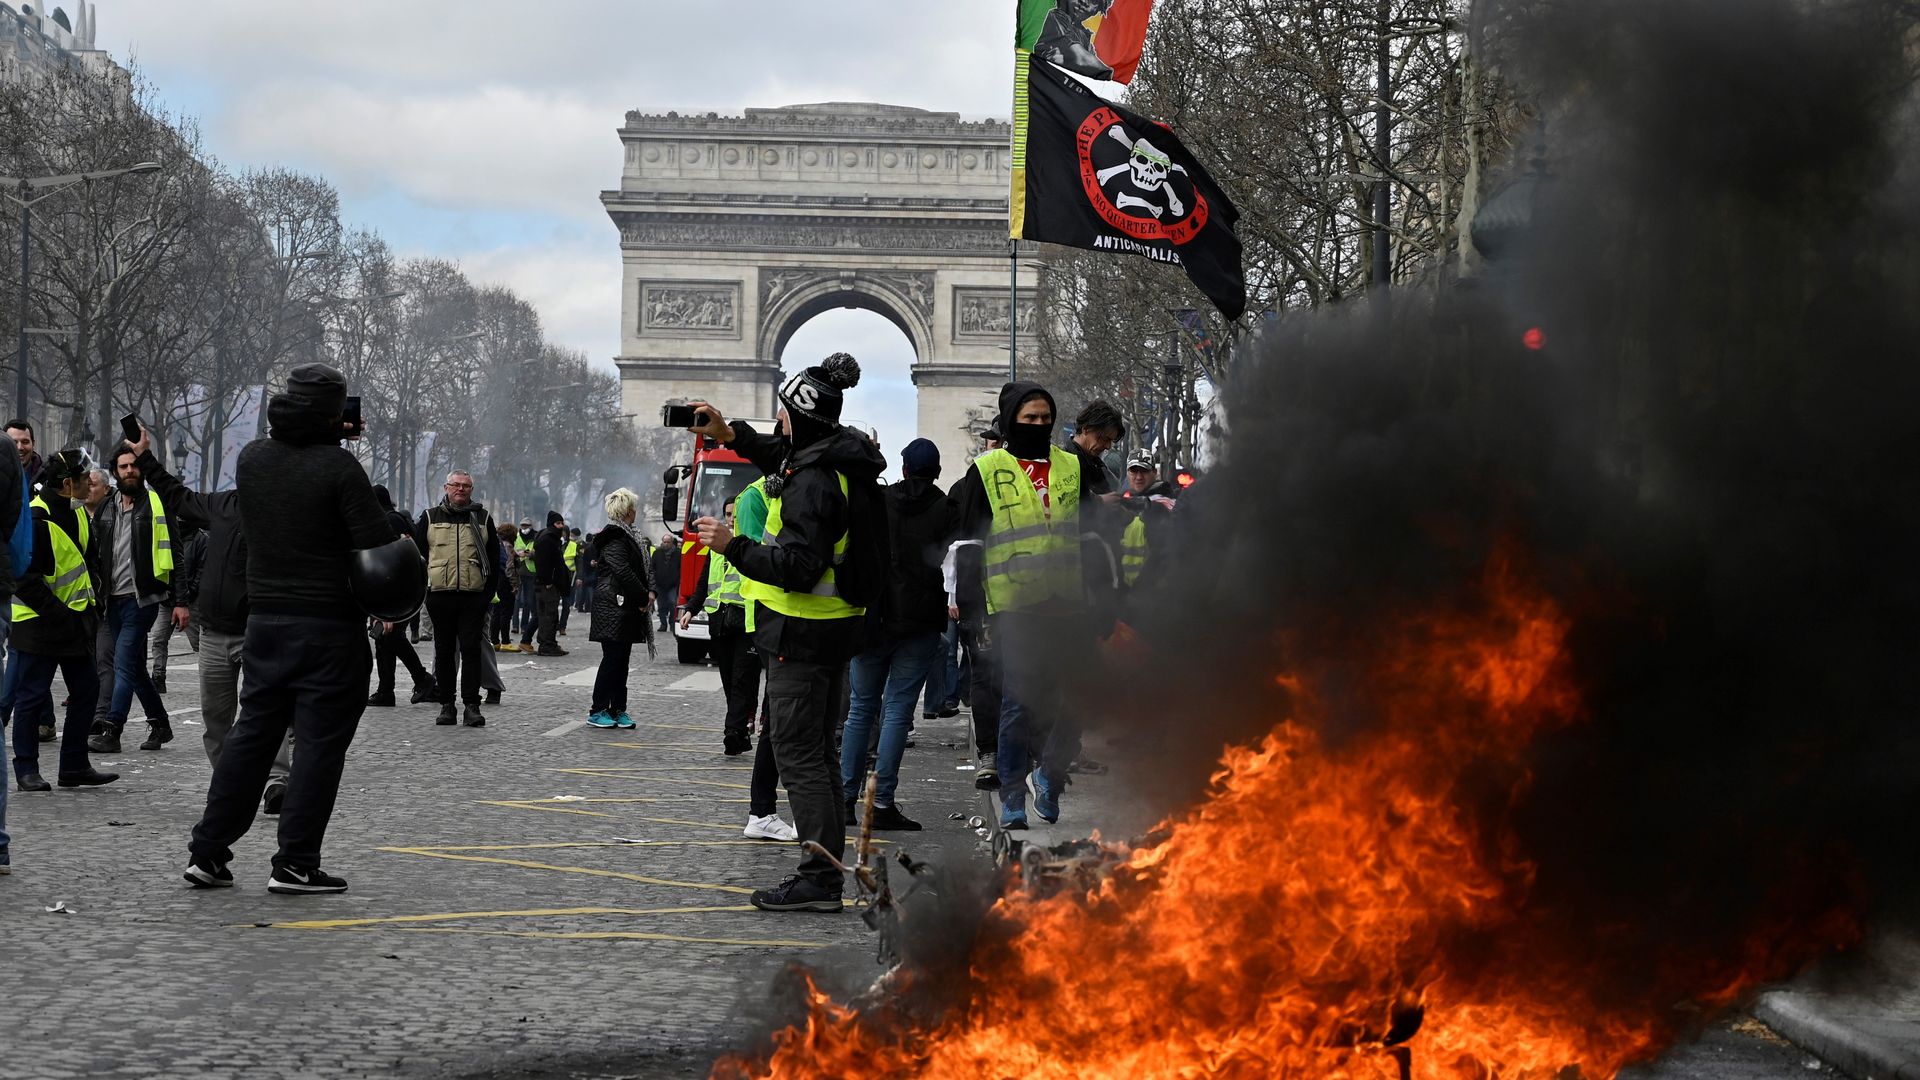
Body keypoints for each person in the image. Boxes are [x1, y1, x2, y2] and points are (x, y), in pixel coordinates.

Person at [184, 363, 395, 895]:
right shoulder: (340, 469)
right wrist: (339, 450)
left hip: (264, 623)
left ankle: (208, 852)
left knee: (250, 738)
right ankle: (296, 862)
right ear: (334, 415)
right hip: (327, 626)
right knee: (318, 749)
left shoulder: (252, 459)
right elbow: (374, 546)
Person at [688, 351, 885, 913]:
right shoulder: (844, 460)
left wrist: (733, 546)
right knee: (819, 752)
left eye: (781, 414)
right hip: (835, 631)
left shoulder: (812, 484)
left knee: (797, 755)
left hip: (800, 633)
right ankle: (824, 872)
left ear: (797, 417)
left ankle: (819, 880)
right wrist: (732, 434)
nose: (777, 423)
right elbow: (789, 452)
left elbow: (798, 566)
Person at [949, 382, 1105, 829]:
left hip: (1069, 603)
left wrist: (1102, 598)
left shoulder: (1073, 467)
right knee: (1018, 702)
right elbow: (969, 545)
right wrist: (972, 610)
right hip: (1013, 606)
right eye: (1029, 418)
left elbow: (1088, 536)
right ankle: (1014, 793)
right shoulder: (986, 469)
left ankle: (1049, 773)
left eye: (1045, 418)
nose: (1039, 425)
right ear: (1010, 417)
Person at [135, 433, 294, 814]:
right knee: (215, 717)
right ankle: (230, 782)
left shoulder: (282, 514)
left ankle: (275, 782)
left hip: (260, 630)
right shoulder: (221, 505)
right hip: (214, 633)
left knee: (267, 713)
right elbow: (177, 496)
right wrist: (145, 459)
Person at [839, 438, 955, 832]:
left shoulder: (879, 500)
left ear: (903, 469)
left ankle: (843, 797)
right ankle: (882, 801)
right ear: (936, 471)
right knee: (897, 711)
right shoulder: (944, 508)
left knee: (860, 709)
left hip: (873, 616)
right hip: (919, 620)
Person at [9, 448, 114, 793]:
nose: (91, 484)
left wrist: (93, 603)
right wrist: (61, 614)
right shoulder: (37, 518)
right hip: (38, 623)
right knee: (32, 697)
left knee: (86, 690)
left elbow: (88, 561)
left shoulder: (78, 512)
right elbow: (25, 579)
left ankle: (74, 765)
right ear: (68, 484)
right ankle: (26, 769)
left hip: (74, 622)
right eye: (85, 480)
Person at [86, 442, 175, 754]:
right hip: (112, 600)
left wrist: (181, 600)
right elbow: (94, 552)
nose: (129, 471)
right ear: (115, 472)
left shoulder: (155, 503)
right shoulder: (107, 508)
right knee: (133, 668)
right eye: (123, 467)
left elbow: (173, 549)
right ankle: (161, 724)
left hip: (143, 599)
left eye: (134, 465)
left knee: (123, 662)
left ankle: (112, 728)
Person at [414, 471, 501, 726]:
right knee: (443, 652)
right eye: (456, 485)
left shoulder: (483, 517)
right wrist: (424, 593)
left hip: (473, 597)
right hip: (440, 596)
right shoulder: (430, 517)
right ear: (446, 487)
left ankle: (472, 705)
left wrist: (487, 595)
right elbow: (418, 558)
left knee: (472, 650)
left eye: (466, 486)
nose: (461, 490)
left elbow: (494, 560)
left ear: (471, 490)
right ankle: (447, 705)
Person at [585, 488, 653, 730]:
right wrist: (644, 596)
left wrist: (647, 593)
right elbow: (622, 571)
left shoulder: (630, 536)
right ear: (627, 510)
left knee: (621, 661)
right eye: (634, 507)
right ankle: (598, 709)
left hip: (623, 606)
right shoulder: (615, 537)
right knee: (612, 659)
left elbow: (643, 569)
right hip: (613, 606)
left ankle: (617, 708)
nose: (637, 511)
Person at [364, 485, 436, 710]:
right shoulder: (395, 520)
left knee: (392, 636)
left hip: (397, 592)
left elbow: (391, 563)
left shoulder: (389, 522)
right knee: (384, 639)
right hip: (404, 589)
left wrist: (386, 607)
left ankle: (423, 680)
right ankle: (386, 691)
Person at [145, 524, 202, 694]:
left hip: (189, 602)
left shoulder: (199, 540)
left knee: (199, 643)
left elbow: (201, 570)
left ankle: (209, 680)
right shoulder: (166, 536)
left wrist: (188, 594)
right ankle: (158, 677)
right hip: (167, 600)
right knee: (158, 639)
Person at [529, 511, 568, 657]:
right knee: (548, 615)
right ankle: (547, 645)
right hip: (547, 585)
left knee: (548, 614)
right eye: (558, 523)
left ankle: (549, 642)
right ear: (552, 524)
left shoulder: (548, 537)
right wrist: (548, 581)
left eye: (562, 523)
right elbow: (543, 563)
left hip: (548, 583)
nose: (561, 526)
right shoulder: (548, 539)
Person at [491, 522, 520, 651]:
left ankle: (494, 641)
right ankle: (506, 641)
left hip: (496, 580)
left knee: (496, 612)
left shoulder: (496, 544)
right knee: (506, 612)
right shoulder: (508, 547)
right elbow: (509, 567)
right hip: (505, 580)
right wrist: (514, 584)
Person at [650, 531, 681, 633]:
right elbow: (652, 567)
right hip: (660, 584)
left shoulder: (678, 553)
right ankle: (663, 624)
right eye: (664, 542)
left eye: (668, 542)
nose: (666, 544)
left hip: (673, 584)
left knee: (672, 604)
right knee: (662, 605)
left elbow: (681, 568)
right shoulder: (657, 553)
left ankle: (672, 624)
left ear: (672, 542)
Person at [513, 519, 538, 637]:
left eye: (527, 526)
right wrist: (517, 555)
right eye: (522, 525)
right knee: (517, 600)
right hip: (518, 571)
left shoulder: (536, 537)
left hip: (530, 572)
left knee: (528, 601)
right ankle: (515, 626)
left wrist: (531, 554)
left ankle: (524, 626)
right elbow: (511, 551)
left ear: (531, 526)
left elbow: (538, 552)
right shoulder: (516, 536)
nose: (524, 527)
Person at [556, 527, 579, 636]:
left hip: (570, 577)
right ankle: (554, 624)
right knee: (554, 603)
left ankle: (562, 626)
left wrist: (580, 577)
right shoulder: (554, 543)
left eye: (564, 533)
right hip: (556, 576)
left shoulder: (574, 545)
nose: (562, 535)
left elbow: (579, 562)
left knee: (566, 603)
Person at [572, 528, 595, 613]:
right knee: (588, 590)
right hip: (588, 571)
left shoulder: (583, 546)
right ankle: (585, 607)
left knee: (584, 590)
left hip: (586, 572)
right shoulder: (587, 547)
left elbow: (582, 561)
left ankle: (581, 606)